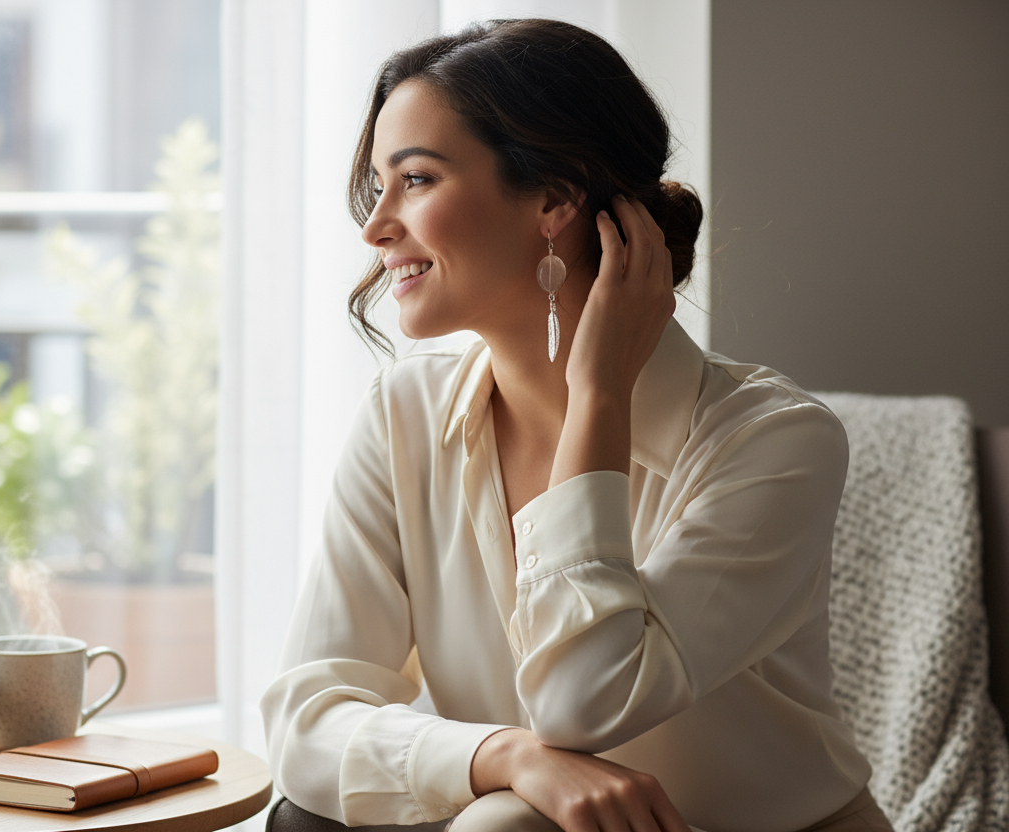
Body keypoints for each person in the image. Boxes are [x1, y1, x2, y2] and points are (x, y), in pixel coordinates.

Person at [260, 18, 893, 832]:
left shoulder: (774, 442)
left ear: (554, 199)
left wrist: (598, 396)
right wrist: (508, 757)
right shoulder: (402, 416)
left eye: (415, 180)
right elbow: (306, 720)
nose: (375, 226)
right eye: (378, 185)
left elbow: (583, 702)